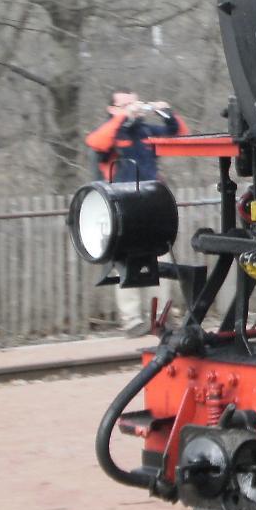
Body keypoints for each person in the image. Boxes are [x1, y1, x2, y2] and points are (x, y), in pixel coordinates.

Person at [85, 90, 187, 336]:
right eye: (125, 104)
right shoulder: (112, 132)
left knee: (161, 258)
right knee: (126, 262)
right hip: (120, 204)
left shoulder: (145, 131)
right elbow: (97, 143)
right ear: (112, 109)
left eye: (134, 103)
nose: (133, 107)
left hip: (150, 201)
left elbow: (179, 133)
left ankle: (164, 315)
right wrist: (123, 118)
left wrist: (165, 111)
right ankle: (131, 321)